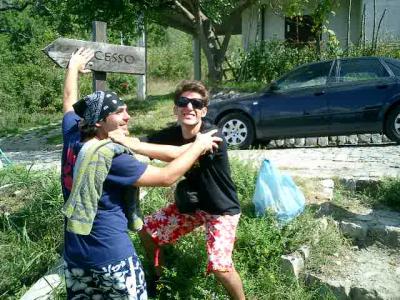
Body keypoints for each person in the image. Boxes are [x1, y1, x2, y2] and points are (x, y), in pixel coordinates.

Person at [61, 48, 221, 299]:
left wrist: (73, 68)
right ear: (101, 122)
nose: (128, 116)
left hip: (75, 256)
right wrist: (199, 146)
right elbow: (166, 177)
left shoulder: (74, 135)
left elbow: (70, 102)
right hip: (111, 255)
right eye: (119, 112)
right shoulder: (111, 157)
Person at [135, 80, 245, 300]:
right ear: (176, 108)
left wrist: (133, 145)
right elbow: (143, 141)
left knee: (220, 267)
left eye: (196, 103)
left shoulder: (212, 135)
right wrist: (115, 139)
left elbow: (174, 155)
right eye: (183, 102)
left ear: (203, 110)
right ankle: (161, 279)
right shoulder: (174, 133)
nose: (189, 107)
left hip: (222, 210)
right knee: (147, 231)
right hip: (194, 205)